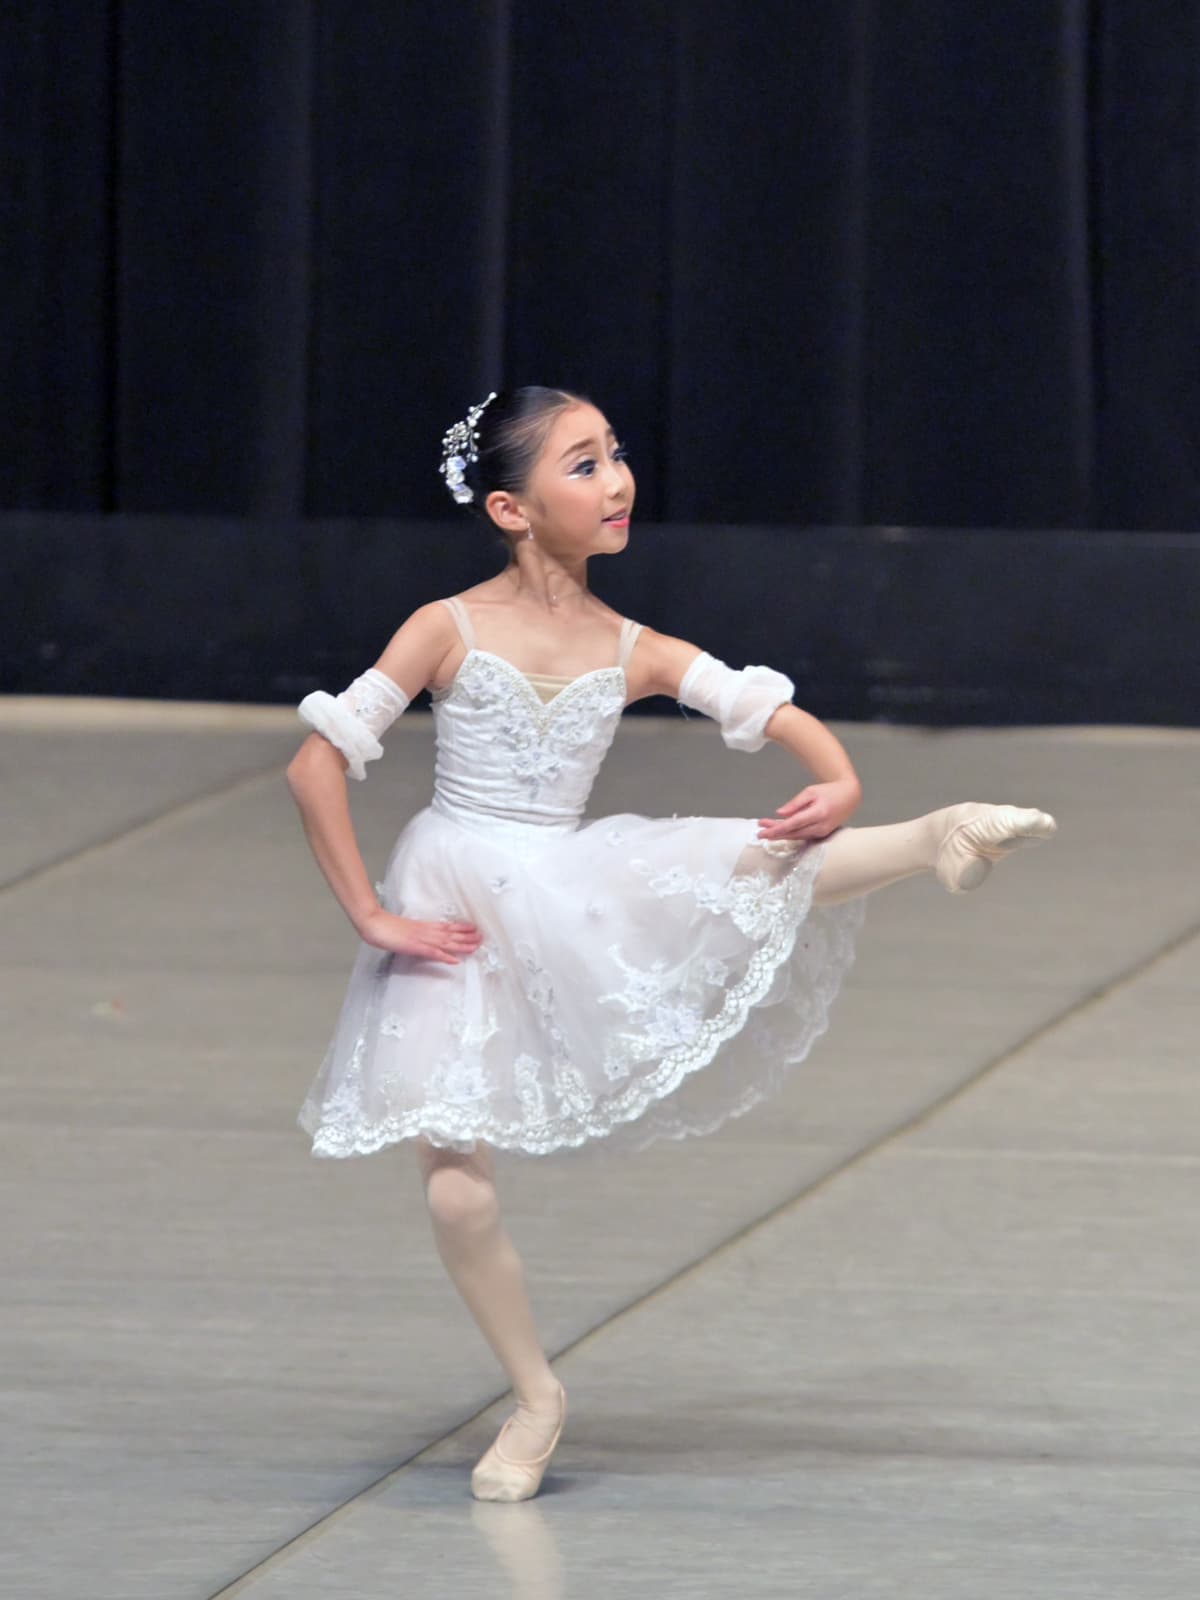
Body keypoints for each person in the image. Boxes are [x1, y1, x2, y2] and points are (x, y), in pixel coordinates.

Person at [284, 385, 1057, 1502]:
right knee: (456, 1188)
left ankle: (934, 835)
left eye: (616, 455)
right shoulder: (445, 628)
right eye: (584, 464)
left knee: (747, 858)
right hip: (452, 901)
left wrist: (839, 778)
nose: (618, 482)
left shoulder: (630, 646)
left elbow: (763, 711)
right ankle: (537, 1395)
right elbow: (316, 764)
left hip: (560, 878)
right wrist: (370, 913)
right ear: (509, 508)